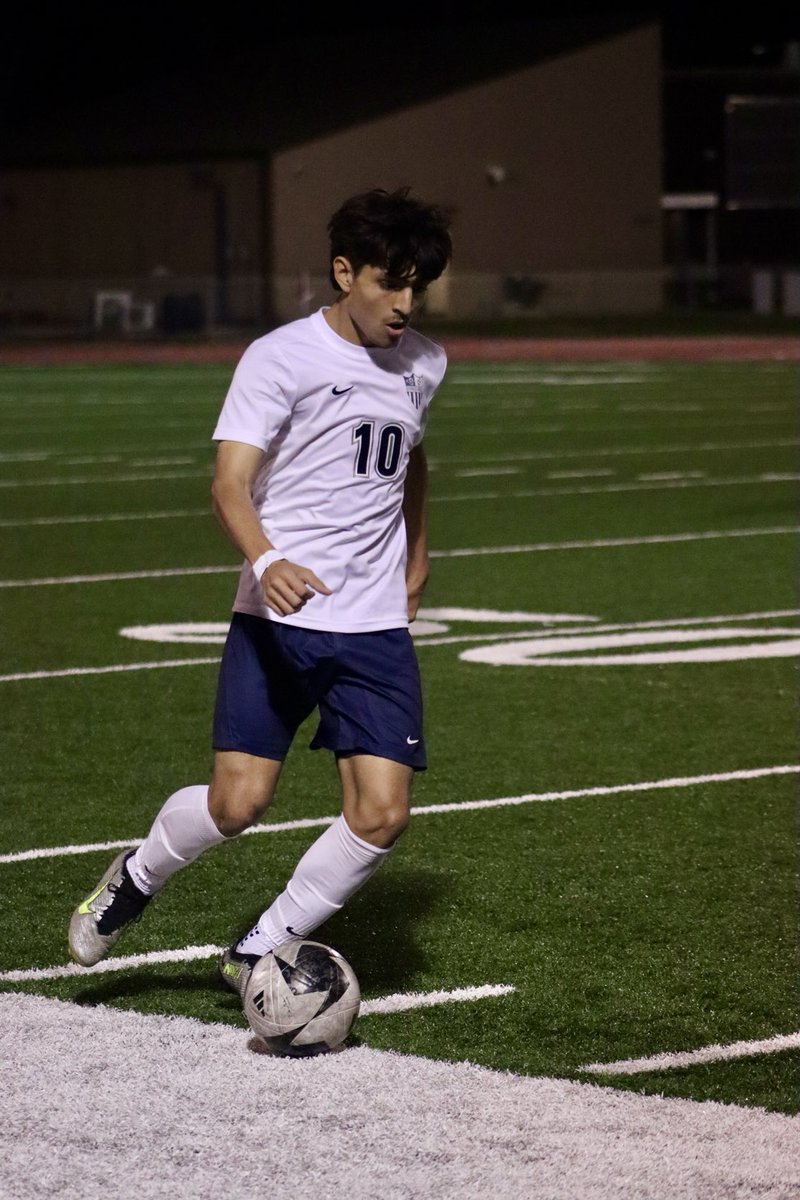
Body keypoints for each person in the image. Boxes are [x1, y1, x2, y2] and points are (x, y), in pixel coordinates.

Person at [68, 186, 453, 999]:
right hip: (278, 617)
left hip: (374, 623)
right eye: (391, 282)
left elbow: (410, 456)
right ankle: (134, 879)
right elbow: (229, 484)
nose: (404, 304)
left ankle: (259, 947)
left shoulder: (424, 361)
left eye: (417, 286)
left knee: (381, 813)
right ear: (345, 271)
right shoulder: (280, 357)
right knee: (238, 802)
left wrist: (417, 556)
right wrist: (267, 557)